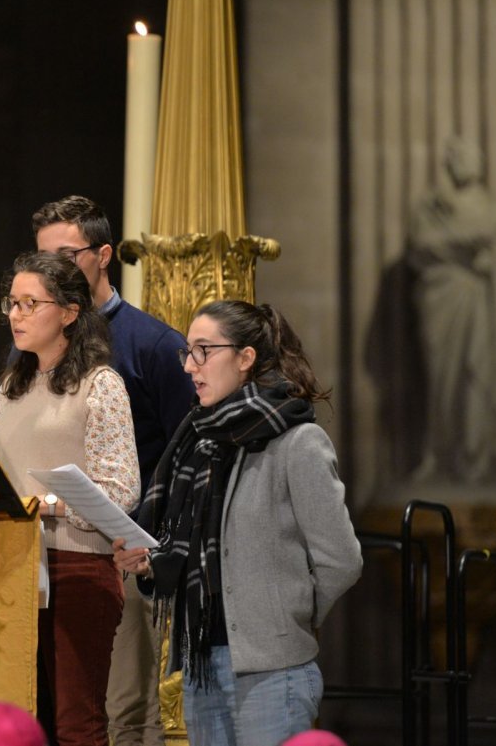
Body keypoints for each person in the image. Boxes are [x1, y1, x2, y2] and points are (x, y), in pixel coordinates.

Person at [113, 300, 362, 746]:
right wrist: (151, 563)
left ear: (245, 358)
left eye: (204, 351)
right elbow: (193, 551)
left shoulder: (298, 441)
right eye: (187, 352)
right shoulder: (199, 440)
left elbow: (341, 560)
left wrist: (288, 614)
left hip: (273, 668)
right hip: (203, 665)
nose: (191, 366)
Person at [33, 195, 195, 745]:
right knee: (59, 710)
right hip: (44, 561)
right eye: (41, 257)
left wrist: (154, 545)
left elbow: (187, 456)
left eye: (66, 254)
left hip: (123, 557)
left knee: (121, 712)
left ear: (103, 255)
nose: (51, 270)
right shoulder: (34, 350)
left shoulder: (152, 345)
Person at [0, 251, 140, 746]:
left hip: (78, 570)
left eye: (30, 303)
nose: (16, 314)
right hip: (14, 569)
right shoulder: (9, 390)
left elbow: (122, 490)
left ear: (71, 312)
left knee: (77, 725)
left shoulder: (100, 385)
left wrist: (49, 504)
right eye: (12, 303)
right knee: (22, 723)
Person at [407, 135, 496, 488]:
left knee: (478, 378)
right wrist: (466, 246)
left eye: (472, 154)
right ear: (450, 164)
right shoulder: (431, 207)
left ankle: (478, 458)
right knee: (440, 383)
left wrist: (492, 258)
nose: (466, 161)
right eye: (459, 155)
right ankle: (439, 456)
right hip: (441, 304)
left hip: (483, 309)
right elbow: (420, 248)